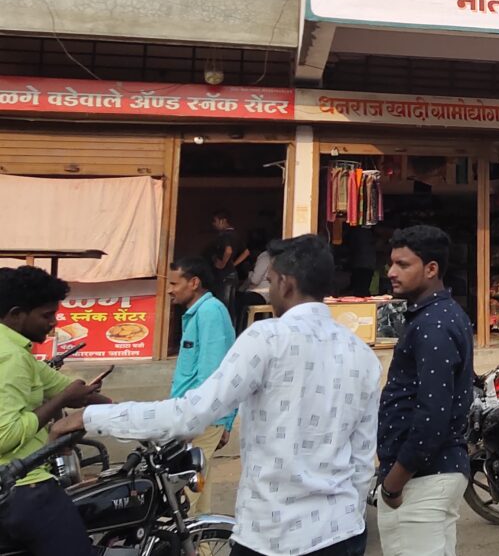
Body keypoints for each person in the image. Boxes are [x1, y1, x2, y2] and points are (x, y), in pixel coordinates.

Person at [54, 235, 381, 556]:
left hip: (274, 535)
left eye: (269, 281)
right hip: (342, 531)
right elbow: (363, 458)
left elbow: (189, 415)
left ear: (286, 283)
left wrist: (90, 417)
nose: (268, 291)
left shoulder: (268, 337)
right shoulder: (361, 353)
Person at [377, 225, 474, 556]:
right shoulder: (437, 315)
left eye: (403, 264)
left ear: (431, 269)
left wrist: (394, 483)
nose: (391, 272)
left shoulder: (434, 324)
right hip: (432, 473)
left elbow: (432, 414)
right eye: (391, 263)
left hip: (422, 478)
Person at [0, 267, 108, 556]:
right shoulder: (11, 357)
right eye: (46, 315)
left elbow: (66, 387)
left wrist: (129, 413)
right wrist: (62, 401)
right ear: (16, 314)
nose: (54, 323)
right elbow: (5, 435)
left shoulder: (18, 351)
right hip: (24, 487)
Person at [165, 258, 235, 515]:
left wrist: (197, 421)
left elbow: (211, 373)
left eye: (175, 283)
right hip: (194, 415)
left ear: (194, 283)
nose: (170, 290)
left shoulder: (209, 312)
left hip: (199, 418)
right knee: (198, 494)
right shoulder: (201, 312)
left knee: (182, 501)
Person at [202, 209, 249, 321]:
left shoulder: (224, 235)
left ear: (222, 221)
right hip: (232, 274)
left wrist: (223, 263)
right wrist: (233, 264)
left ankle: (223, 327)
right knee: (231, 306)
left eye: (215, 221)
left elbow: (228, 250)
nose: (213, 224)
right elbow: (246, 252)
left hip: (224, 276)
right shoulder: (236, 234)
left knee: (223, 305)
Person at [235, 245, 271, 332]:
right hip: (267, 294)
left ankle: (240, 332)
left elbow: (255, 280)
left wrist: (250, 273)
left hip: (260, 293)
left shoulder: (264, 256)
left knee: (237, 302)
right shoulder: (277, 256)